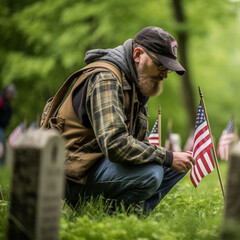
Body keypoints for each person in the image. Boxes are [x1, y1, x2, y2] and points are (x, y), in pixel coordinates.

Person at [41, 26, 195, 213]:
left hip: (97, 165)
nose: (163, 75)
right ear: (138, 55)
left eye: (167, 70)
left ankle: (127, 217)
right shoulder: (106, 79)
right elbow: (115, 145)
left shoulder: (135, 83)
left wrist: (167, 159)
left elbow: (139, 144)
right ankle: (109, 217)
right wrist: (167, 156)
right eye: (160, 66)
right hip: (70, 175)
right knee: (153, 173)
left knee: (177, 165)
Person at [0, 83, 17, 165]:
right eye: (12, 94)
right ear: (8, 93)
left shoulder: (5, 101)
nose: (12, 97)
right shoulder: (1, 99)